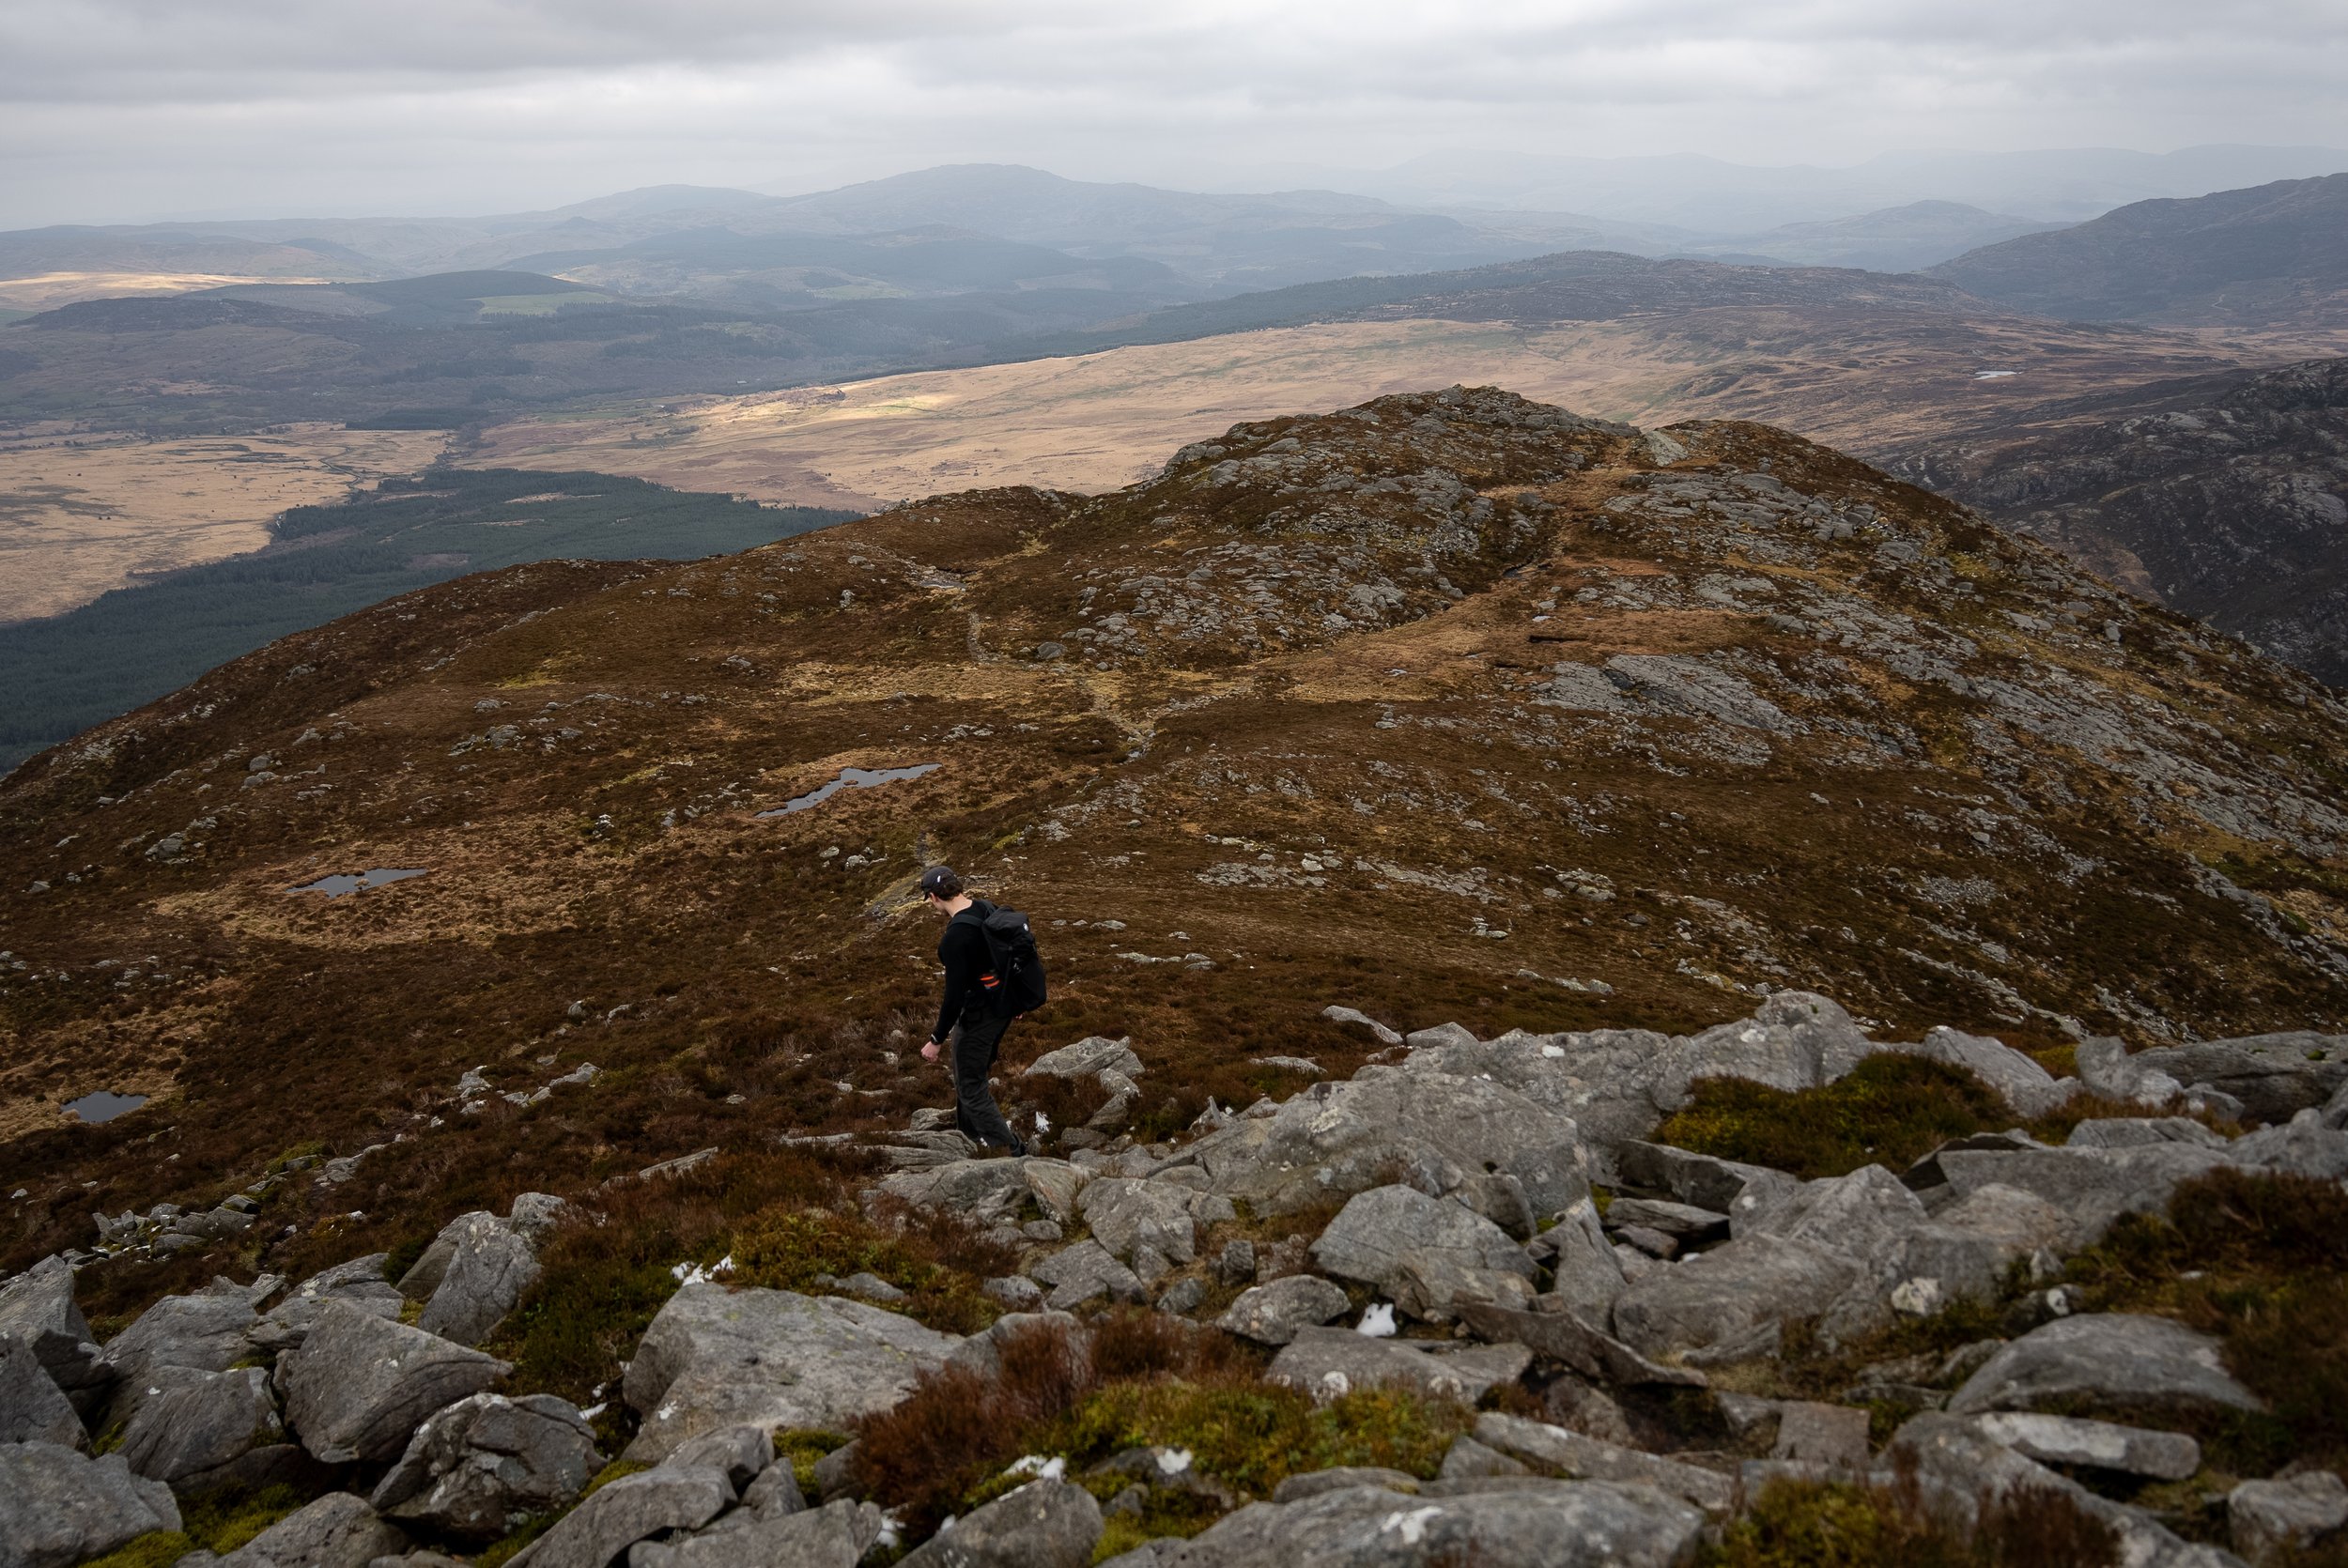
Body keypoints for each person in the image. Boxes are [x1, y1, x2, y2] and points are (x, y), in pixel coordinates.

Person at [919, 864, 1027, 1156]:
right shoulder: (986, 908)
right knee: (967, 1073)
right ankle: (967, 1138)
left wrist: (936, 1039)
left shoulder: (955, 937)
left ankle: (1013, 1152)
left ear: (933, 897)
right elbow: (1006, 958)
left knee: (970, 1086)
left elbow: (953, 997)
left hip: (980, 1015)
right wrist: (1015, 999)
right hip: (1001, 1009)